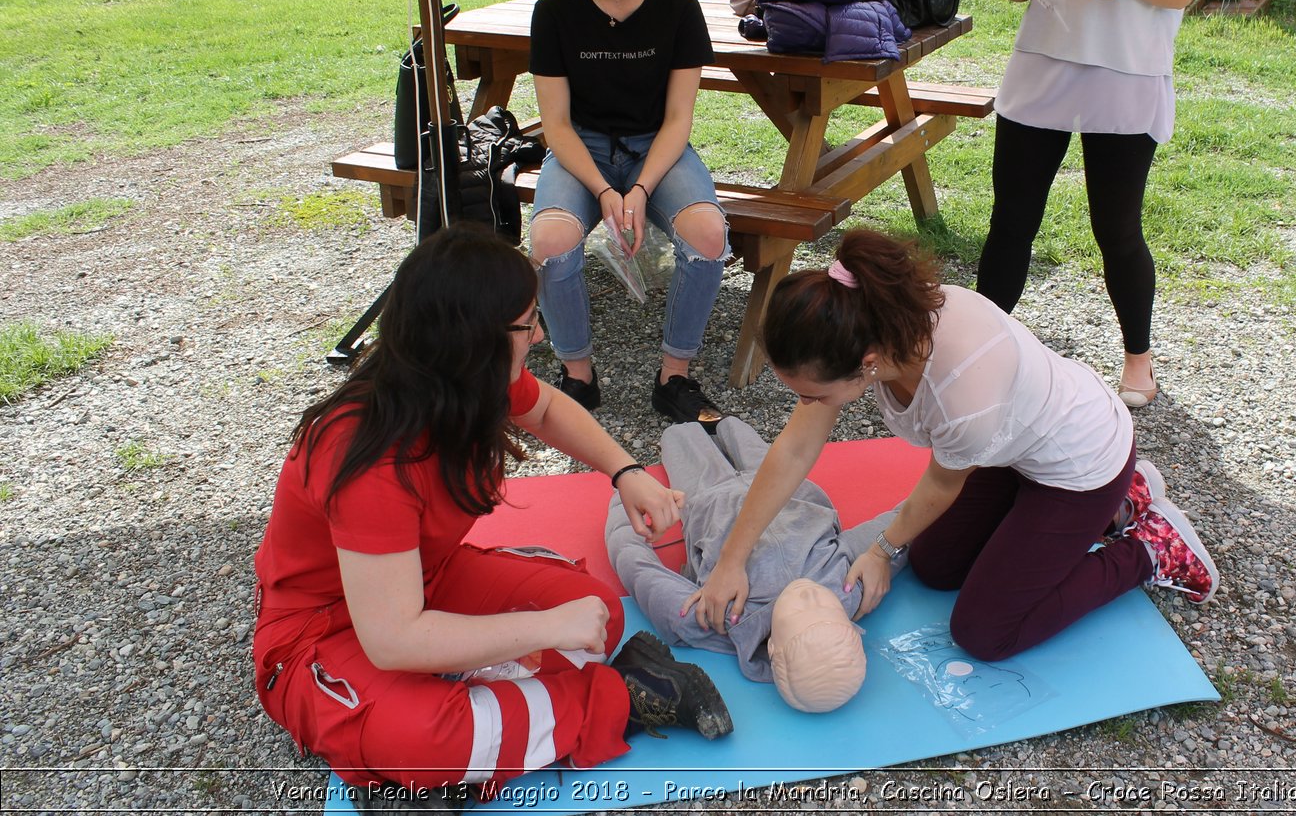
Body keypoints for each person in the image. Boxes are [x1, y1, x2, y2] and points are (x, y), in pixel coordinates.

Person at [251, 226, 731, 812]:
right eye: (528, 323)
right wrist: (544, 630)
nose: (538, 336)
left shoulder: (457, 381)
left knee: (596, 613)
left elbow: (549, 408)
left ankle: (467, 742)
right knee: (427, 741)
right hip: (321, 634)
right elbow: (392, 638)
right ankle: (617, 698)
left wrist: (625, 470)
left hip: (427, 586)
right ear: (474, 341)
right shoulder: (369, 455)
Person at [692, 229, 1219, 664]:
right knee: (936, 566)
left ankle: (1149, 548)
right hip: (1010, 451)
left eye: (813, 394)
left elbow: (944, 481)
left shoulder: (962, 393)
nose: (807, 403)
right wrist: (731, 561)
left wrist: (880, 551)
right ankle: (1124, 501)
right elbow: (792, 451)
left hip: (1079, 466)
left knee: (986, 633)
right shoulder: (869, 325)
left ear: (867, 363)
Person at [977, 0, 1203, 408]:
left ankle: (1138, 357)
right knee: (1011, 219)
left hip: (1126, 71)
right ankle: (983, 351)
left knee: (1117, 228)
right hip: (1043, 63)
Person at [528, 0, 730, 427]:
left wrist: (638, 189)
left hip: (655, 147)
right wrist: (605, 191)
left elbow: (677, 120)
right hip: (582, 148)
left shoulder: (677, 6)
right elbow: (556, 126)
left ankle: (675, 375)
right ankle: (577, 375)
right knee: (549, 244)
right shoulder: (556, 11)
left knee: (708, 235)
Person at [605, 417, 905, 712]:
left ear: (772, 649)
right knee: (737, 428)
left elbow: (638, 568)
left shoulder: (717, 619)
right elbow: (897, 529)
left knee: (678, 435)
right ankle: (721, 421)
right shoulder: (853, 590)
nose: (811, 596)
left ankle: (688, 420)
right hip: (784, 486)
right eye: (831, 610)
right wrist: (889, 550)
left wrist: (624, 500)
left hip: (710, 499)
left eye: (804, 610)